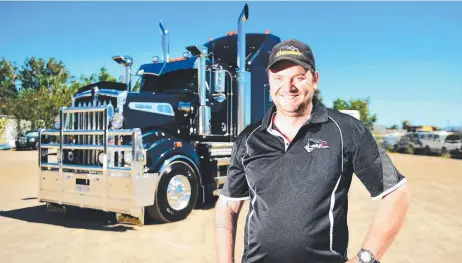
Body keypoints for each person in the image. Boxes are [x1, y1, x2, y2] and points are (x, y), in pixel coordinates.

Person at [214, 39, 410, 263]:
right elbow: (228, 205)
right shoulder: (248, 139)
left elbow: (397, 192)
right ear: (269, 81)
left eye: (298, 77)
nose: (288, 87)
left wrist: (365, 259)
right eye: (278, 78)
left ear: (315, 80)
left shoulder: (348, 130)